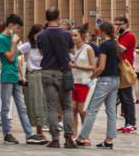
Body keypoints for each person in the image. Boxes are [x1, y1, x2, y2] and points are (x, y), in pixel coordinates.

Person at [77, 21, 122, 149]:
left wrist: (92, 77)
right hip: (115, 80)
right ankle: (109, 140)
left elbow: (101, 67)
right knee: (111, 111)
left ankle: (82, 137)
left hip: (104, 81)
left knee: (92, 110)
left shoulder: (104, 45)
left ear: (102, 31)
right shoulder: (115, 44)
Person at [37, 8, 76, 148]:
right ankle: (69, 138)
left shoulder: (41, 35)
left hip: (47, 71)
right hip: (63, 71)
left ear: (46, 18)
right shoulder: (66, 34)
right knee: (67, 106)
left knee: (51, 107)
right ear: (59, 17)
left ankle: (54, 139)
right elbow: (71, 49)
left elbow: (41, 51)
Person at [0, 16, 31, 144]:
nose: (18, 31)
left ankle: (29, 133)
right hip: (7, 75)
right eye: (17, 28)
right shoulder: (2, 39)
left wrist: (22, 75)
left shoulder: (11, 38)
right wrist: (14, 43)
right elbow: (9, 58)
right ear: (10, 25)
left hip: (15, 75)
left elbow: (16, 59)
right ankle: (7, 134)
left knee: (22, 106)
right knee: (6, 106)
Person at [22, 27, 49, 143]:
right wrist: (23, 67)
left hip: (44, 75)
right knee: (34, 102)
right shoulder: (28, 45)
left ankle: (40, 130)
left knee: (43, 102)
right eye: (37, 34)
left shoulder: (45, 47)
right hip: (33, 76)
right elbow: (16, 53)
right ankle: (36, 131)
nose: (39, 37)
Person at [115, 16, 138, 133]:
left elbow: (119, 49)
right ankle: (127, 122)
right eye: (116, 24)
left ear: (127, 24)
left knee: (127, 97)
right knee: (123, 98)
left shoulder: (129, 36)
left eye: (120, 24)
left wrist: (113, 37)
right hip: (120, 69)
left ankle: (131, 123)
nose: (118, 26)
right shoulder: (121, 36)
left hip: (125, 69)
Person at [69, 28, 94, 136]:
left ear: (82, 36)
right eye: (72, 36)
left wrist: (76, 66)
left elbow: (93, 66)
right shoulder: (71, 49)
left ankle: (84, 135)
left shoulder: (88, 48)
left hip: (84, 82)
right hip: (73, 82)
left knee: (82, 111)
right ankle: (74, 135)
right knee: (72, 109)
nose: (73, 38)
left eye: (75, 35)